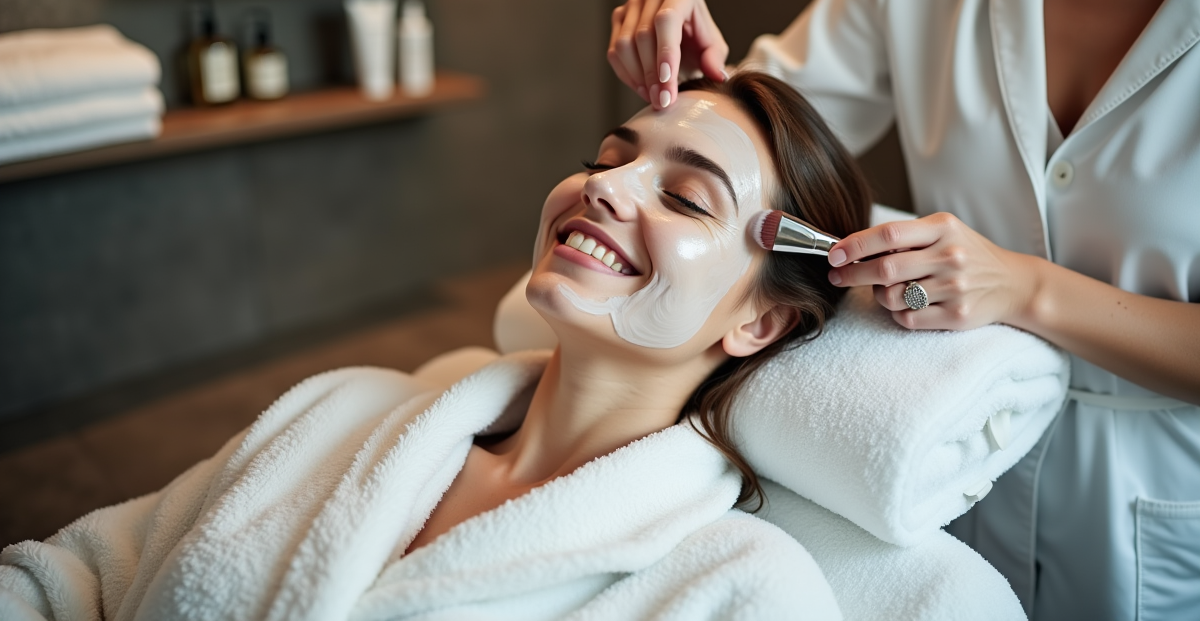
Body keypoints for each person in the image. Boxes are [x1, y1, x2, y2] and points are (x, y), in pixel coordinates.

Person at [0, 72, 868, 621]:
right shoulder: (339, 409)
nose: (604, 187)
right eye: (610, 157)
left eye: (685, 198)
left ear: (760, 321)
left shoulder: (739, 590)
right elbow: (76, 578)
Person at [607, 0, 1200, 620]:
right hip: (943, 474)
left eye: (676, 200)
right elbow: (764, 137)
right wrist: (702, 78)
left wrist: (1026, 289)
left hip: (1157, 505)